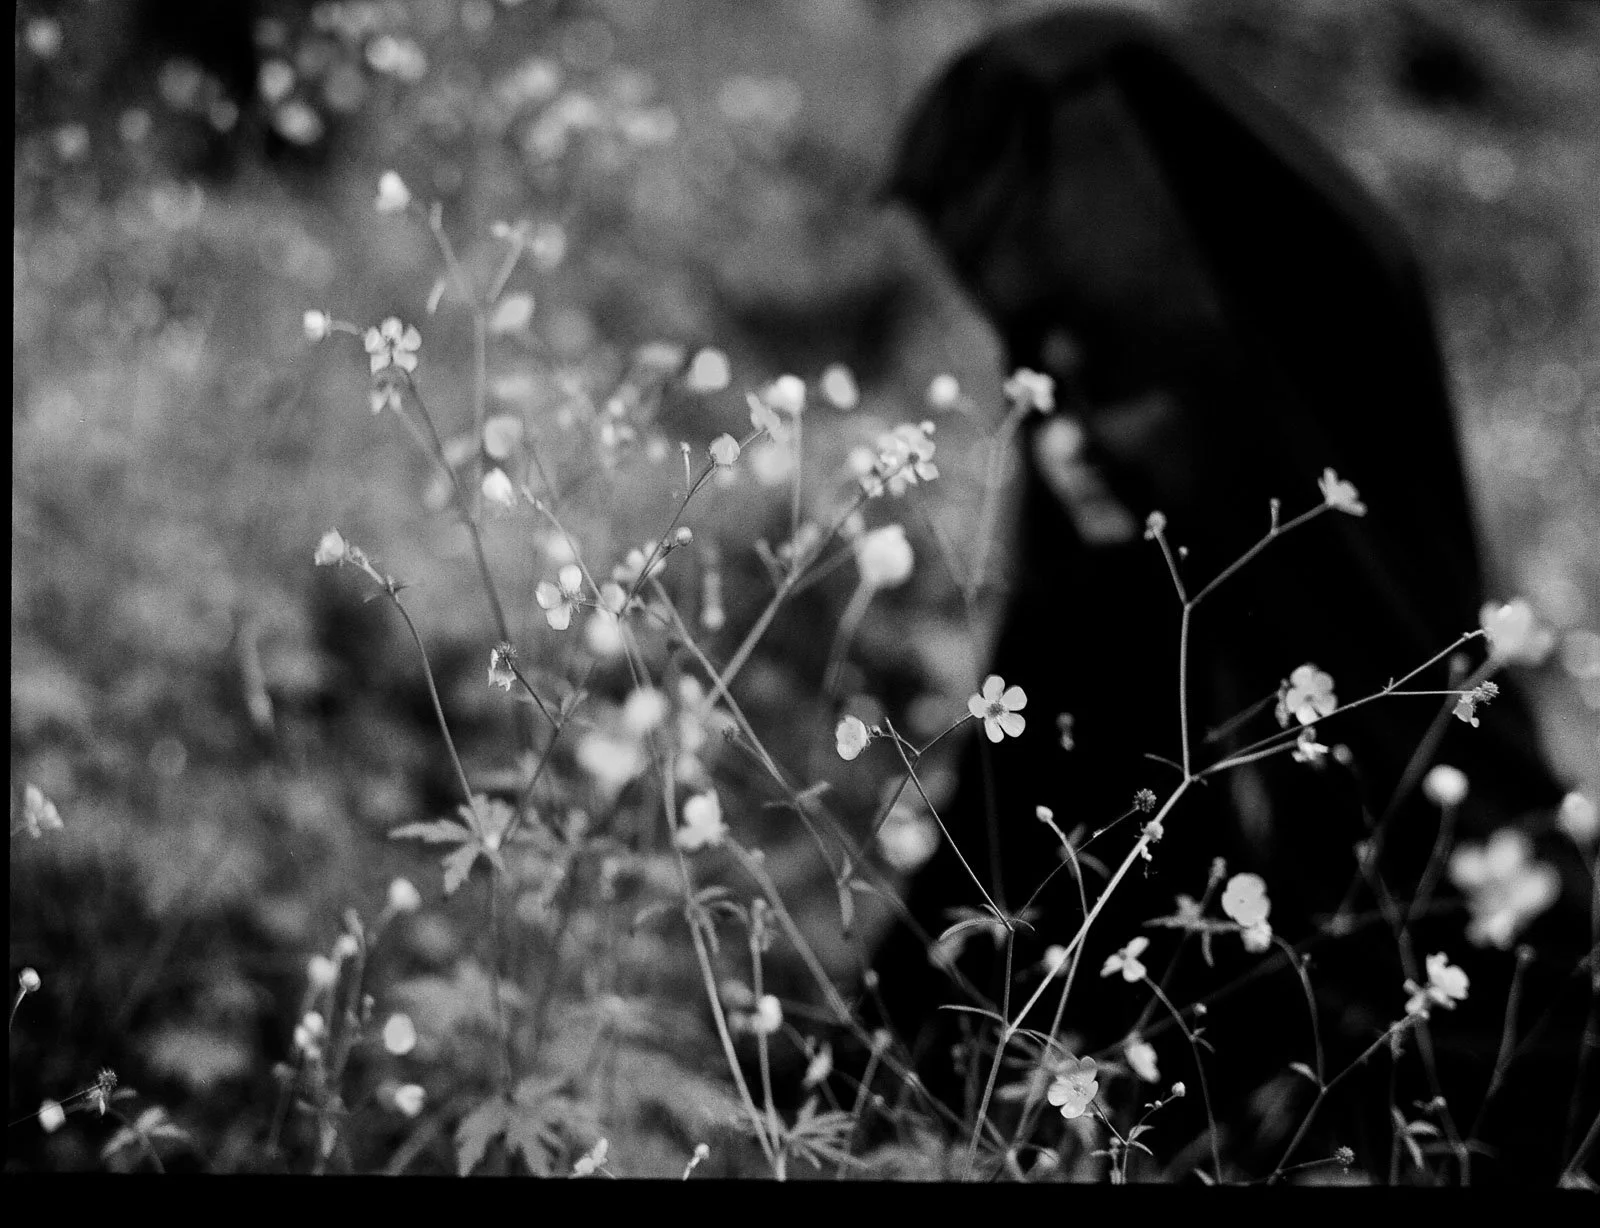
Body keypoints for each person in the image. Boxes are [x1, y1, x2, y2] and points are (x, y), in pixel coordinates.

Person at [862, 5, 1592, 1183]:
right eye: (1042, 386)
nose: (1061, 452)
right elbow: (995, 889)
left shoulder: (1379, 685)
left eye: (1116, 394)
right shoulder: (1090, 642)